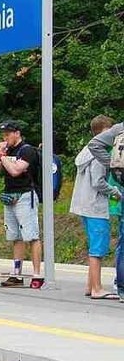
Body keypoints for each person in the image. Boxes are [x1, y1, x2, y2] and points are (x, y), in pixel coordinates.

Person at [0, 120, 41, 286]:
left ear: (17, 133)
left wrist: (2, 156)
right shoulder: (6, 150)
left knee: (31, 235)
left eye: (8, 133)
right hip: (10, 195)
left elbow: (15, 171)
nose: (5, 137)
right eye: (3, 134)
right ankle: (16, 273)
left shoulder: (27, 150)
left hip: (25, 195)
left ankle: (37, 273)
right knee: (15, 236)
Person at [70, 115, 120, 299]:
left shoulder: (86, 151)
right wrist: (115, 192)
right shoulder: (99, 154)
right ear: (105, 132)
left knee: (93, 244)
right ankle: (97, 288)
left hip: (83, 204)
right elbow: (98, 182)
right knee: (98, 248)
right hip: (95, 206)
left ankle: (90, 285)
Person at [88, 118, 124, 301]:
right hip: (96, 206)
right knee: (103, 247)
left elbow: (94, 145)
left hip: (92, 204)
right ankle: (103, 287)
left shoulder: (119, 129)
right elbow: (98, 181)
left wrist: (113, 166)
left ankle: (119, 286)